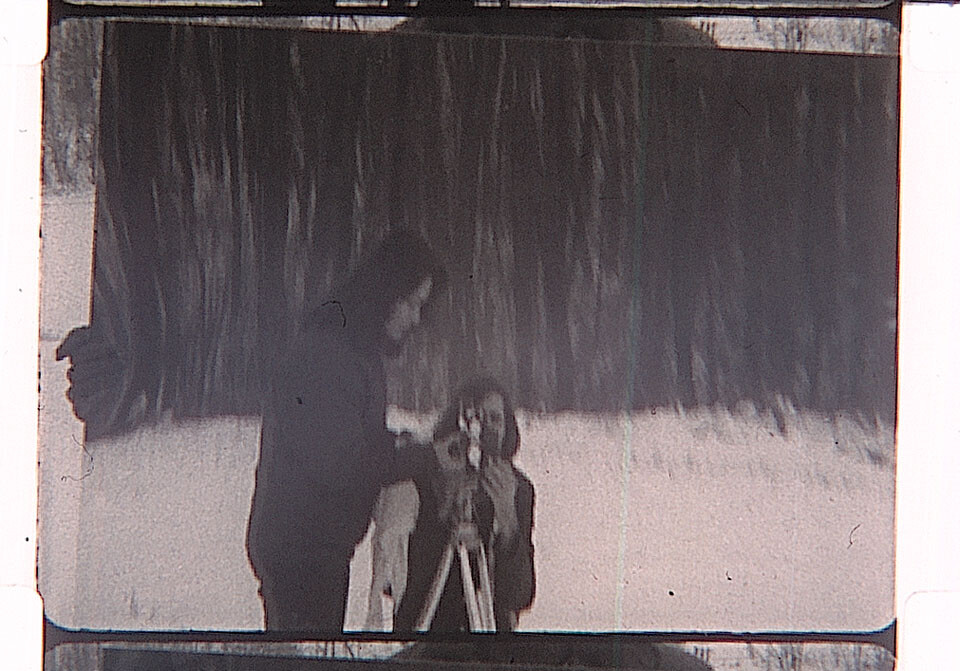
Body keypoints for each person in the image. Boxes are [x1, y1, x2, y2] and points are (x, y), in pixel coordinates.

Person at [245, 228, 444, 633]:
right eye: (410, 302)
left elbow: (352, 439)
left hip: (314, 545)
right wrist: (418, 458)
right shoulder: (331, 352)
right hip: (300, 549)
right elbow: (338, 461)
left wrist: (402, 445)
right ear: (385, 293)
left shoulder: (355, 349)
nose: (415, 317)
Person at [394, 377, 535, 632]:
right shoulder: (425, 482)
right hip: (430, 632)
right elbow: (401, 589)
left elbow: (520, 596)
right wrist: (443, 508)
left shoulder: (518, 489)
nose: (484, 431)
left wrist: (507, 518)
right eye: (475, 419)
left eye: (495, 419)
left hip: (489, 634)